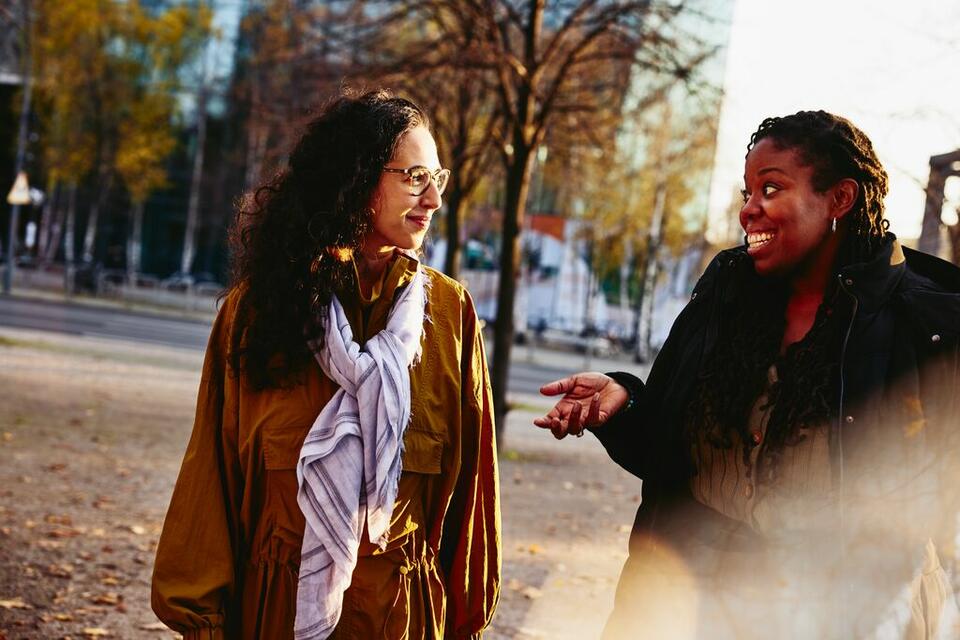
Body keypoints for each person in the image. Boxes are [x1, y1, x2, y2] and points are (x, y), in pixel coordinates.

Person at [536, 111, 960, 639]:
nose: (748, 210)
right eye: (747, 191)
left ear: (840, 199)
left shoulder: (925, 324)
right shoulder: (724, 294)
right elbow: (666, 456)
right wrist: (623, 402)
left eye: (771, 188)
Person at [152, 90, 500, 640]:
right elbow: (210, 480)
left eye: (438, 177)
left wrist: (464, 623)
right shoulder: (258, 311)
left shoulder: (451, 316)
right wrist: (205, 624)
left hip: (401, 619)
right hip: (275, 616)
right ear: (355, 179)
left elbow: (473, 492)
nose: (433, 199)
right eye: (414, 176)